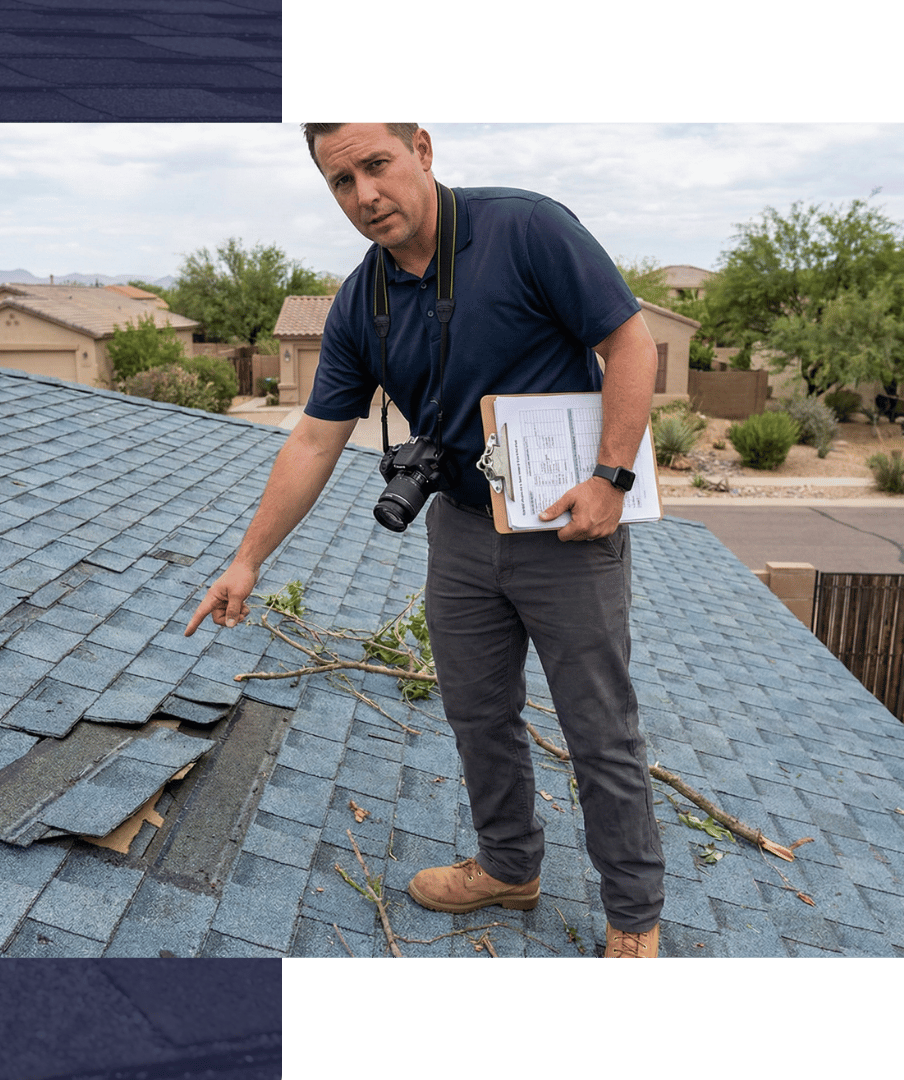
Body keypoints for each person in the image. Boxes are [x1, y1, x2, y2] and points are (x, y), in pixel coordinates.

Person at [186, 123, 665, 958]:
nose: (365, 195)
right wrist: (247, 559)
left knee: (599, 729)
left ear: (423, 150)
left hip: (567, 529)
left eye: (377, 165)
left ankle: (633, 916)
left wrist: (611, 477)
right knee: (478, 713)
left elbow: (630, 341)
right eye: (341, 182)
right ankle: (510, 868)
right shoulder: (358, 302)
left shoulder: (524, 229)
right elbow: (311, 439)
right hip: (463, 530)